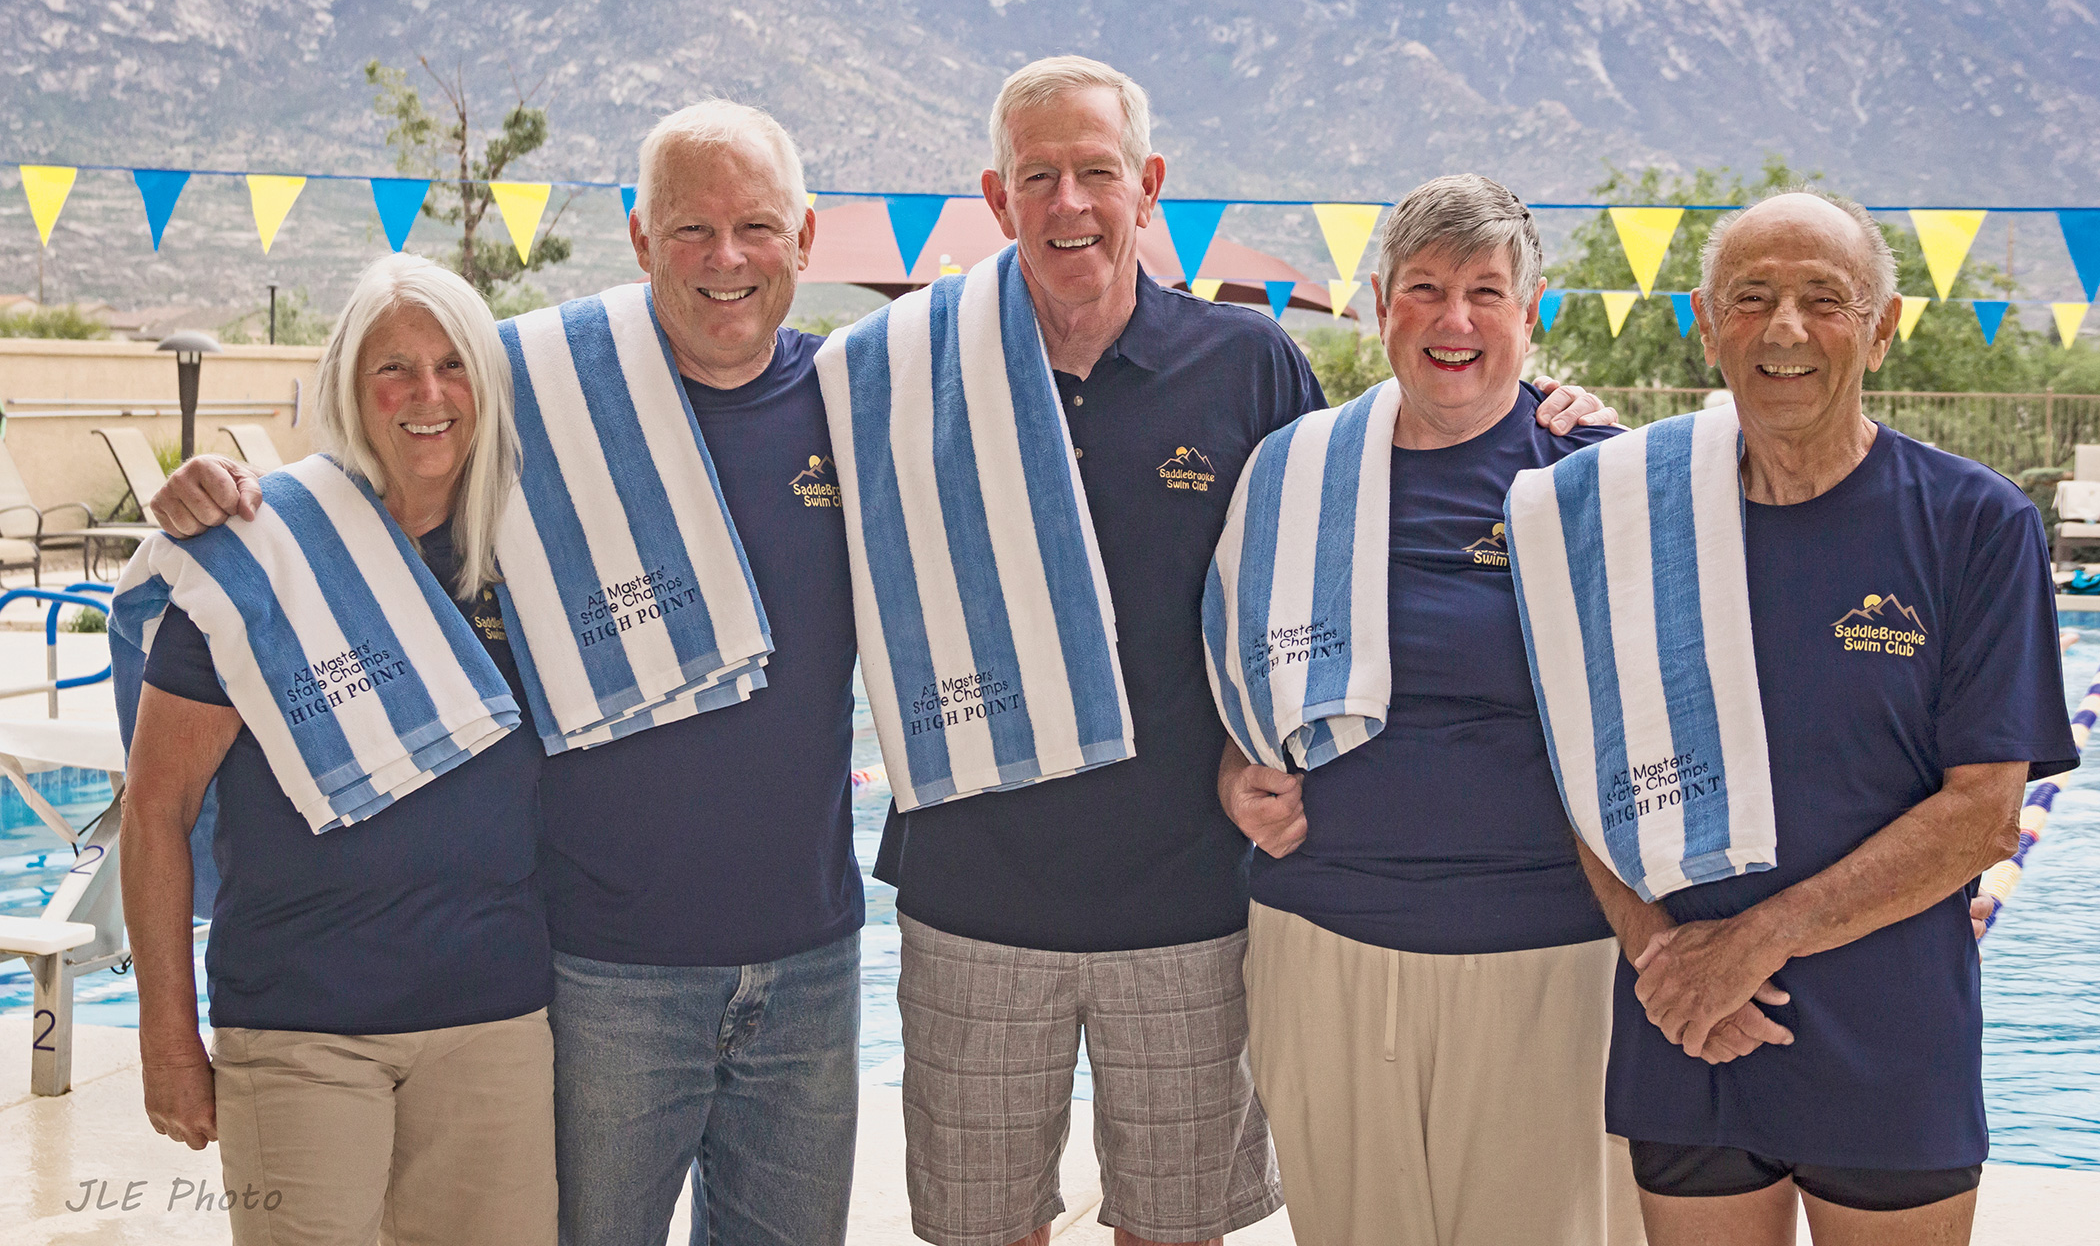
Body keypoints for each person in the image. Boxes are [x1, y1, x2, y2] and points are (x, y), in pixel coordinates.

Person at [864, 60, 1615, 1246]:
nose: (1070, 203)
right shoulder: (898, 366)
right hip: (974, 890)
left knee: (1177, 1227)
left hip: (1190, 895)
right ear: (995, 200)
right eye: (1038, 177)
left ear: (1148, 185)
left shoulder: (1249, 364)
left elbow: (1344, 524)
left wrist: (1551, 408)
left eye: (1097, 172)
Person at [150, 102, 863, 1246]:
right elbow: (373, 464)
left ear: (805, 237)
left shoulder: (858, 401)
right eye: (691, 229)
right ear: (638, 238)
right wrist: (210, 487)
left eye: (756, 227)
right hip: (599, 970)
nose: (725, 259)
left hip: (804, 959)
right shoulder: (549, 409)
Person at [1572, 191, 2076, 1244]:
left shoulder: (1975, 523)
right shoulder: (1639, 527)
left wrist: (1746, 948)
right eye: (1750, 298)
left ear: (1883, 328)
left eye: (1825, 299)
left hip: (1889, 1034)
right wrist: (1662, 955)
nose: (1786, 329)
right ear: (1706, 327)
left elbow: (1983, 813)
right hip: (1689, 1026)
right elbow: (1587, 771)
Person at [1211, 174, 1646, 1246]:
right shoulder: (1295, 469)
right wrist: (1235, 771)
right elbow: (1239, 672)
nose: (1455, 320)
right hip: (1325, 947)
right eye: (1426, 288)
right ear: (1379, 303)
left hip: (1543, 957)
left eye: (1486, 292)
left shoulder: (1591, 470)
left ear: (1530, 312)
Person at [120, 253, 557, 1245]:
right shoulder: (259, 551)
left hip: (492, 1020)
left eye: (453, 365)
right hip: (301, 1024)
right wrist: (165, 1035)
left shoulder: (530, 552)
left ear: (486, 387)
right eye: (392, 368)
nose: (427, 395)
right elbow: (155, 809)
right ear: (348, 391)